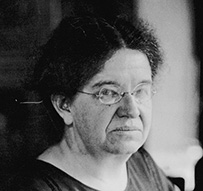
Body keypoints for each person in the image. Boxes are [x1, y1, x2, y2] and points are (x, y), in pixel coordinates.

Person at [6, 16, 179, 191]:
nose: (131, 110)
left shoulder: (143, 166)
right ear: (64, 105)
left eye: (141, 91)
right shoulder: (36, 187)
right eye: (108, 93)